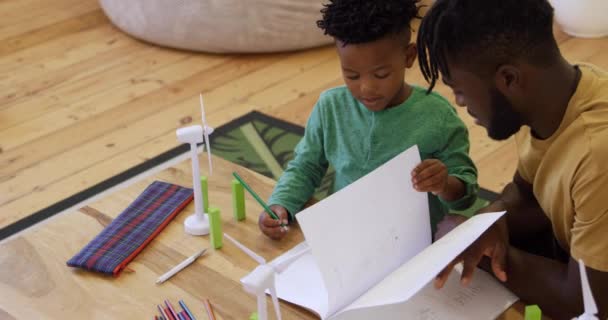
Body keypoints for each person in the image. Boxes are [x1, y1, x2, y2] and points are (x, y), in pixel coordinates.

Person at [417, 0, 608, 318]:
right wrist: (481, 226)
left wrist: (475, 251)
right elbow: (526, 193)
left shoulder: (596, 152)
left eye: (460, 90)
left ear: (508, 79)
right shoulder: (556, 95)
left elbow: (585, 302)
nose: (460, 103)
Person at [258, 0, 478, 242]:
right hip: (348, 234)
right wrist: (282, 203)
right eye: (351, 75)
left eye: (381, 74)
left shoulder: (438, 116)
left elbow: (466, 192)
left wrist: (444, 184)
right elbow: (306, 167)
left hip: (415, 242)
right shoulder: (330, 107)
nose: (366, 88)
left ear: (409, 56)